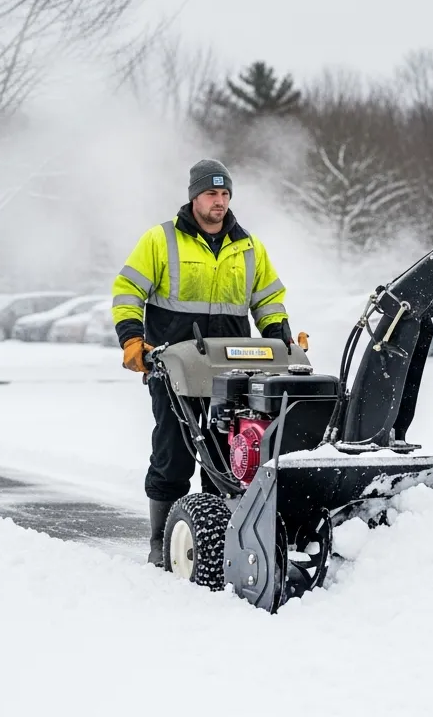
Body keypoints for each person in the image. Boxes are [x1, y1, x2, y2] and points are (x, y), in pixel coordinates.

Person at [111, 159, 293, 567]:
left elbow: (268, 299)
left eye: (225, 194)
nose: (219, 201)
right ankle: (163, 540)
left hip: (232, 371)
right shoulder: (161, 240)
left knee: (229, 455)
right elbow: (128, 291)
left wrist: (279, 337)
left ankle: (219, 539)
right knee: (172, 453)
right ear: (194, 196)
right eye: (212, 193)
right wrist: (132, 340)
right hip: (173, 367)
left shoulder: (249, 246)